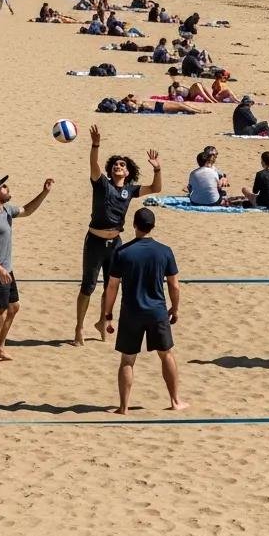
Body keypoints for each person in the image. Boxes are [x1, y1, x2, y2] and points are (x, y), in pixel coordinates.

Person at [75, 126, 162, 347]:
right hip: (95, 241)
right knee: (88, 286)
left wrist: (157, 169)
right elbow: (94, 165)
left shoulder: (131, 190)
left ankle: (102, 322)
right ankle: (79, 327)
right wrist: (95, 145)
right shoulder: (102, 184)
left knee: (110, 286)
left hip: (115, 243)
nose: (118, 166)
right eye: (115, 164)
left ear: (128, 172)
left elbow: (156, 188)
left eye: (122, 165)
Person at [104, 208, 188, 414]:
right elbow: (174, 285)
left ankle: (123, 407)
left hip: (131, 311)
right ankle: (175, 401)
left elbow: (112, 286)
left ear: (134, 225)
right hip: (157, 311)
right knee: (166, 355)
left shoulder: (122, 252)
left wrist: (108, 313)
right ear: (153, 226)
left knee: (127, 359)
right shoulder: (164, 251)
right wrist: (175, 308)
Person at [0, 174, 53, 368]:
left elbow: (27, 210)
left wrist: (44, 192)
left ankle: (0, 348)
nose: (7, 189)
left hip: (6, 270)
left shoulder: (6, 210)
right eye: (3, 187)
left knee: (13, 307)